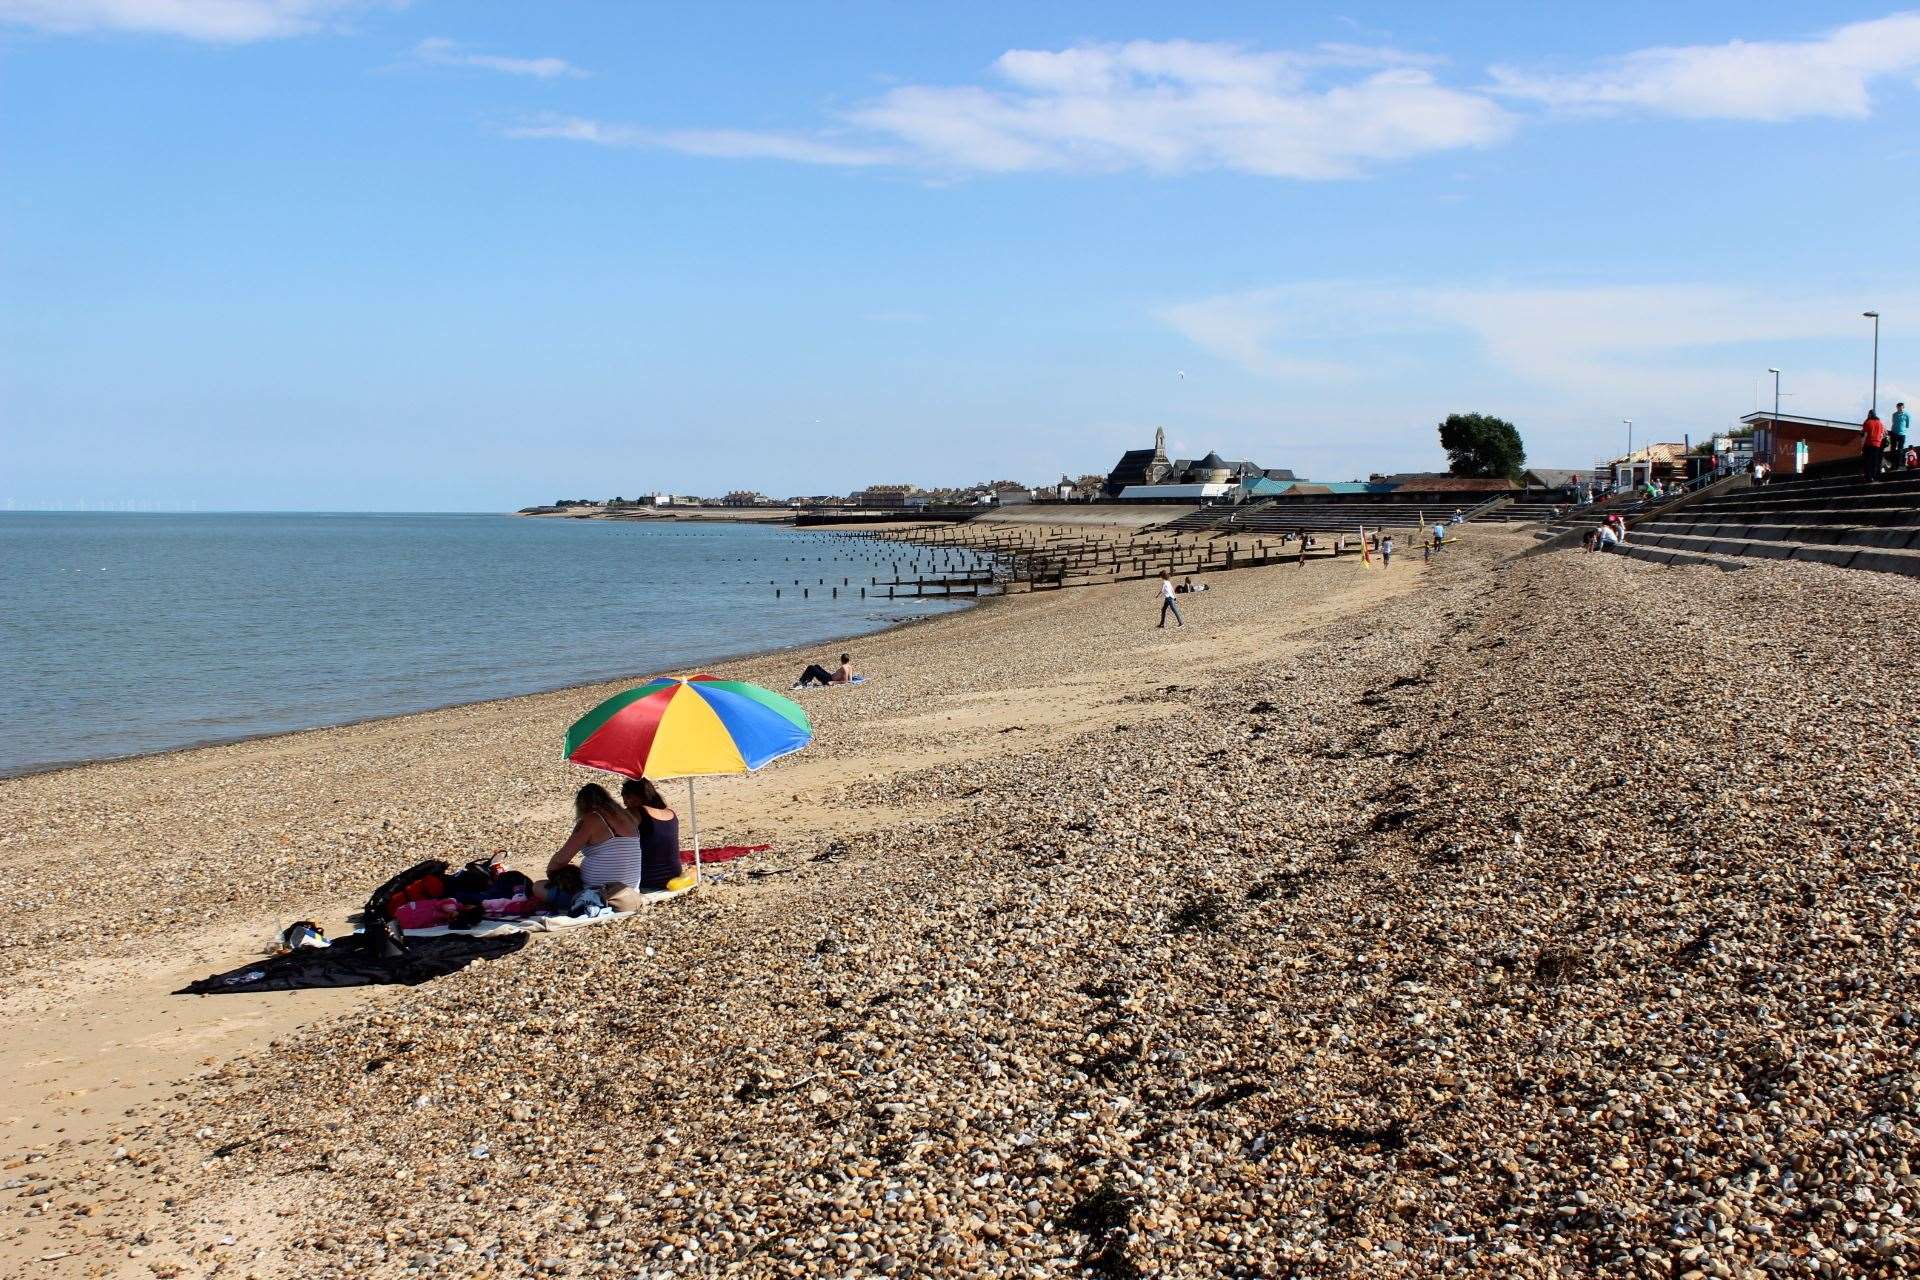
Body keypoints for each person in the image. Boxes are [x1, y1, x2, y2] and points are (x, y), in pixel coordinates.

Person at [542, 783, 647, 912]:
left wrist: (552, 872)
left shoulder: (591, 819)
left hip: (601, 893)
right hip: (630, 891)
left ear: (582, 804)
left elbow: (561, 859)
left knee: (538, 887)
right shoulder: (628, 817)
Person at [621, 777, 685, 890]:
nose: (624, 801)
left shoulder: (637, 812)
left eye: (628, 797)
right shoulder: (670, 813)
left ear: (641, 795)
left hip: (649, 880)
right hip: (674, 876)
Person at [1863, 409, 1887, 481]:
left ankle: (1868, 477)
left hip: (1869, 443)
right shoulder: (1880, 423)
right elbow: (1884, 433)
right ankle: (1874, 476)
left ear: (1870, 414)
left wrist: (1862, 446)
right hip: (1877, 444)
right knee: (1875, 461)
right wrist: (1879, 439)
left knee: (1868, 461)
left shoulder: (1867, 422)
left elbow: (1865, 435)